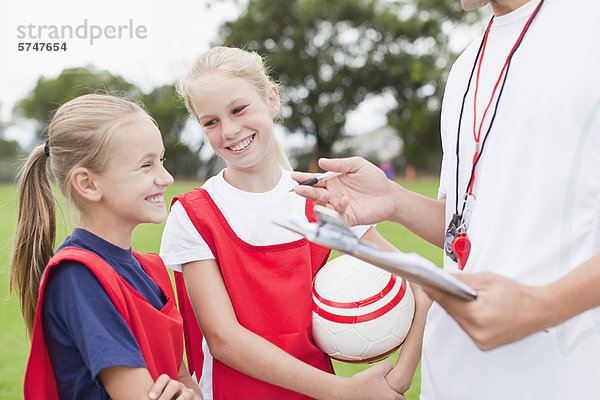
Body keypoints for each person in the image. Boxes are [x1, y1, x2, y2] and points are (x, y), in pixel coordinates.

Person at [292, 0, 600, 399]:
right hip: (452, 378)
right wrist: (394, 200)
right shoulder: (465, 66)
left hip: (563, 379)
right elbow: (468, 228)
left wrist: (543, 305)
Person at [160, 46, 425, 400]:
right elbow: (224, 339)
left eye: (239, 109)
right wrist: (343, 391)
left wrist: (399, 380)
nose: (230, 130)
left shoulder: (321, 199)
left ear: (272, 99)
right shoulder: (194, 213)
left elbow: (420, 283)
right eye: (211, 122)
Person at [10, 94, 202, 399]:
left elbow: (183, 381)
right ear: (87, 184)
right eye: (145, 165)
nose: (165, 177)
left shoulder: (152, 269)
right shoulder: (78, 277)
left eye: (161, 160)